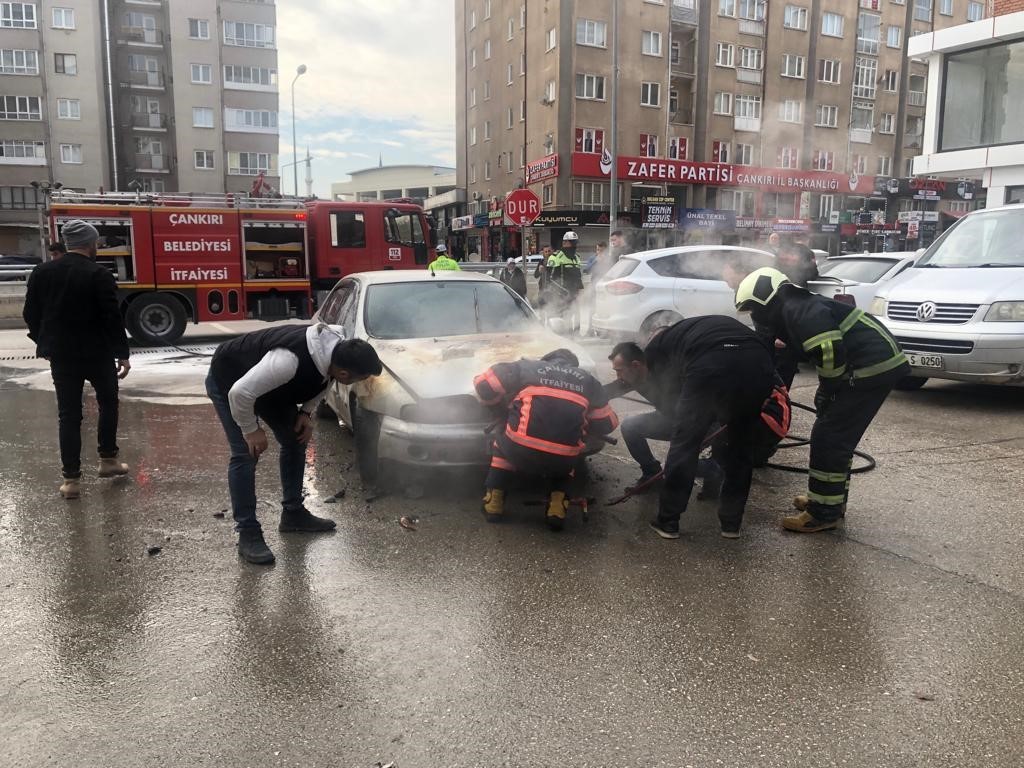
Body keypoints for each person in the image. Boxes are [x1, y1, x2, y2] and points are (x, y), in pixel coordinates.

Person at [735, 267, 909, 533]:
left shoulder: (800, 311)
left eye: (755, 309)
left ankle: (823, 513)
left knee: (830, 438)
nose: (757, 317)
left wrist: (827, 391)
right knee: (835, 438)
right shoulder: (795, 307)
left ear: (768, 298)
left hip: (871, 369)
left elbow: (828, 351)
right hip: (868, 366)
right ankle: (828, 500)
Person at [206, 324, 383, 564]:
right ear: (345, 374)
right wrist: (251, 430)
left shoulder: (337, 352)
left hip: (271, 389)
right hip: (231, 380)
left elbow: (326, 379)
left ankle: (293, 514)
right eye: (360, 378)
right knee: (245, 454)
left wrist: (307, 412)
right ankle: (248, 532)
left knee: (296, 438)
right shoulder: (287, 362)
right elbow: (240, 394)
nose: (361, 382)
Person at [625, 319, 777, 539]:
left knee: (685, 443)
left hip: (712, 365)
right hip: (758, 364)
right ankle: (731, 525)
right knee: (741, 447)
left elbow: (660, 388)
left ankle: (668, 522)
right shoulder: (695, 330)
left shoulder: (658, 346)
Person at [23, 219, 132, 500]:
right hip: (98, 354)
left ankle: (71, 481)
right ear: (91, 243)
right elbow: (112, 318)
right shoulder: (99, 274)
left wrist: (43, 342)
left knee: (68, 415)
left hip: (61, 355)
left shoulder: (41, 273)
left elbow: (30, 314)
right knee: (108, 403)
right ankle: (108, 461)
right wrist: (122, 353)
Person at [474, 349, 618, 531]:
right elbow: (607, 423)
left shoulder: (527, 367)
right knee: (569, 455)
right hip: (561, 460)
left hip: (520, 449)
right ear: (573, 366)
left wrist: (500, 411)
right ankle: (557, 509)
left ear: (546, 360)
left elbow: (484, 384)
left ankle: (493, 503)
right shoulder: (588, 380)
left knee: (502, 444)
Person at [606, 341, 723, 500]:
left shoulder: (672, 371)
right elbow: (607, 391)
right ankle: (651, 473)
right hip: (670, 419)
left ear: (635, 365)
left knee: (676, 465)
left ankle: (716, 471)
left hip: (701, 423)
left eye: (619, 371)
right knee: (630, 426)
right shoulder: (634, 376)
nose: (618, 376)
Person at [546, 231, 585, 333]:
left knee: (576, 314)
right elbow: (551, 278)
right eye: (573, 243)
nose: (574, 245)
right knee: (562, 317)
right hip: (561, 294)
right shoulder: (557, 257)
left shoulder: (577, 257)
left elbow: (578, 276)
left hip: (574, 293)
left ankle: (575, 334)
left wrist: (580, 290)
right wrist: (562, 292)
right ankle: (562, 335)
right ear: (565, 243)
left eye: (575, 243)